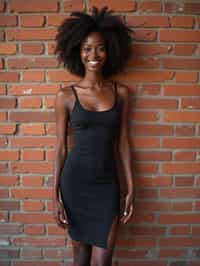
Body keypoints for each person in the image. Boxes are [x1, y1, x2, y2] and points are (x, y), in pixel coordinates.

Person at [52, 6, 135, 266]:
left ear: (109, 50)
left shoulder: (120, 92)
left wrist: (130, 187)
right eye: (87, 48)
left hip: (107, 185)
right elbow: (61, 149)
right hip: (75, 184)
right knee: (81, 257)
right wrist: (54, 195)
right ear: (77, 50)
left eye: (100, 47)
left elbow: (122, 142)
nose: (93, 55)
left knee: (104, 258)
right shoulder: (65, 96)